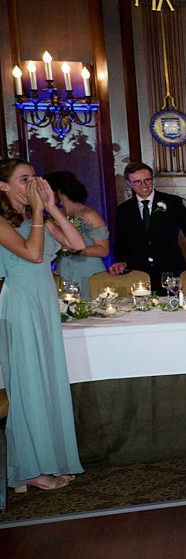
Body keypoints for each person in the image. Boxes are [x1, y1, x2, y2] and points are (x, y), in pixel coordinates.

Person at [0, 158, 86, 492]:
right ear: (4, 186)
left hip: (43, 303)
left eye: (34, 178)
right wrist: (38, 212)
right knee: (28, 384)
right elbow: (33, 255)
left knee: (47, 380)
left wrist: (51, 207)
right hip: (20, 302)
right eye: (24, 179)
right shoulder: (5, 222)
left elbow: (78, 245)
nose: (32, 184)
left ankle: (48, 459)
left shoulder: (39, 217)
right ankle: (29, 468)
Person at [109, 163, 186, 292]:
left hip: (170, 268)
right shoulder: (123, 210)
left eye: (147, 180)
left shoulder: (173, 202)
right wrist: (121, 261)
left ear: (152, 179)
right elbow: (120, 240)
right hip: (138, 272)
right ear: (129, 184)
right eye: (137, 182)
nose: (144, 185)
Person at [45, 171, 110, 298]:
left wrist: (74, 249)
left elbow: (103, 250)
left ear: (57, 192)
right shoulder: (55, 215)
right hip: (62, 270)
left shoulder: (88, 214)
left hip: (87, 271)